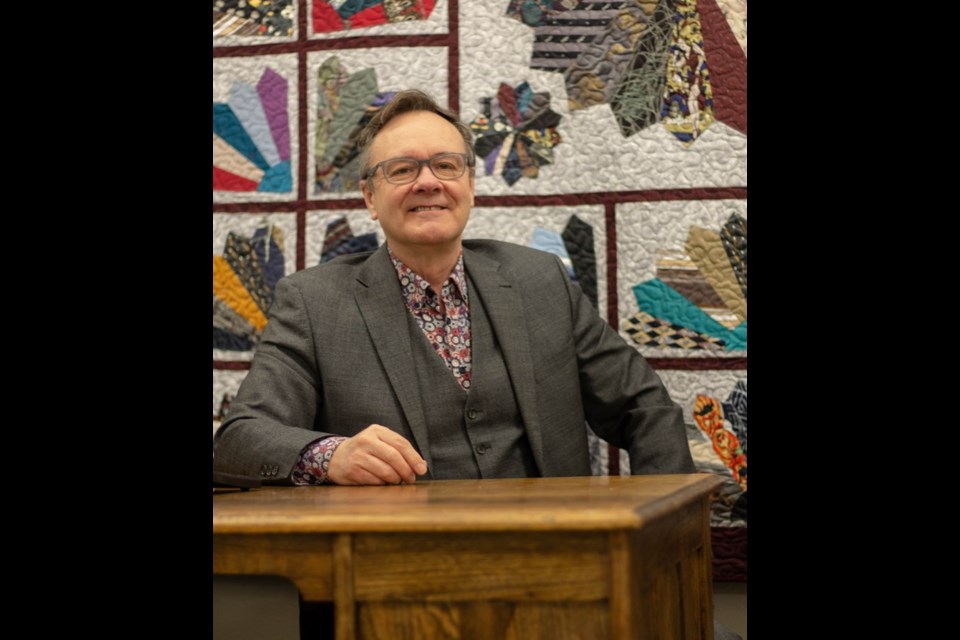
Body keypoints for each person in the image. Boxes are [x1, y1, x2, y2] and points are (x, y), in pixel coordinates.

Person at [212, 89, 695, 486]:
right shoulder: (312, 303)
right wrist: (328, 454)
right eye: (401, 170)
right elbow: (239, 439)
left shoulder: (541, 280)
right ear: (370, 198)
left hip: (556, 566)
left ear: (469, 184)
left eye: (446, 165)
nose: (428, 182)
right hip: (389, 572)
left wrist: (665, 524)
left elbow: (644, 408)